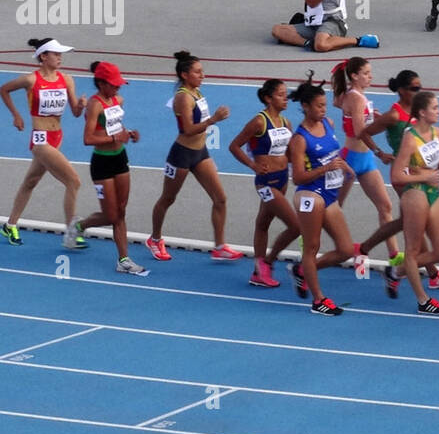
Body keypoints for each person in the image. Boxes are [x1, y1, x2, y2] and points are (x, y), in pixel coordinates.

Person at [360, 69, 439, 295]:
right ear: (402, 91)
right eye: (414, 88)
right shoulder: (396, 117)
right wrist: (380, 153)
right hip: (408, 179)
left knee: (408, 223)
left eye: (419, 88)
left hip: (426, 179)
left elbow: (427, 152)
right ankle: (429, 277)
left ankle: (370, 251)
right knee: (414, 229)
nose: (417, 91)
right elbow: (365, 133)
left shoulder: (426, 125)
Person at [145, 51, 243, 264]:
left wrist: (210, 121)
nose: (203, 75)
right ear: (185, 74)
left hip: (200, 153)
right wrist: (214, 120)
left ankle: (219, 247)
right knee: (168, 198)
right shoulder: (183, 97)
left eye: (202, 71)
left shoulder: (196, 92)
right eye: (197, 72)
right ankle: (154, 239)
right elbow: (188, 129)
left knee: (220, 198)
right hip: (182, 154)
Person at [0, 38, 84, 247]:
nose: (60, 58)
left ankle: (10, 225)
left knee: (31, 182)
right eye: (56, 54)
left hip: (57, 137)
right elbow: (4, 90)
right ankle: (71, 233)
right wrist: (17, 115)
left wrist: (81, 106)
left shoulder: (67, 80)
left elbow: (74, 112)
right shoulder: (31, 80)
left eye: (61, 54)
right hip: (41, 138)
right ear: (43, 56)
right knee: (74, 181)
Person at [288, 74, 355, 316]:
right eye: (318, 106)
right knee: (312, 247)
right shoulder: (299, 139)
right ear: (305, 107)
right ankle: (318, 300)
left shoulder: (328, 124)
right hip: (310, 194)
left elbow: (333, 154)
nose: (323, 109)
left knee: (346, 250)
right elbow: (297, 177)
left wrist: (344, 166)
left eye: (324, 105)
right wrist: (325, 169)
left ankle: (303, 271)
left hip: (329, 194)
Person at [227, 79, 304, 289]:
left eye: (285, 94)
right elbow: (234, 146)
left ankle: (257, 272)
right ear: (269, 98)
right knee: (296, 226)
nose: (285, 98)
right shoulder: (259, 122)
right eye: (280, 94)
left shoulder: (286, 122)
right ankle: (268, 262)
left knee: (263, 224)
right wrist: (253, 165)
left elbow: (288, 154)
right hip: (266, 183)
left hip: (282, 179)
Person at [74, 61, 146, 276]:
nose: (118, 88)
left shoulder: (118, 100)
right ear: (102, 83)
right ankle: (78, 227)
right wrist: (116, 137)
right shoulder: (94, 105)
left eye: (119, 84)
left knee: (121, 211)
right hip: (102, 163)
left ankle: (123, 259)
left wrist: (128, 132)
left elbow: (115, 126)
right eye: (114, 84)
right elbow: (88, 138)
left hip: (120, 158)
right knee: (111, 215)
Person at [332, 57, 400, 267]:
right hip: (351, 159)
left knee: (385, 205)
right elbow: (361, 131)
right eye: (366, 73)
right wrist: (380, 152)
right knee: (333, 208)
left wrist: (373, 115)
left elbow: (340, 104)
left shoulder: (354, 96)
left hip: (365, 160)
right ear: (354, 75)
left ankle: (394, 254)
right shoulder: (356, 98)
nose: (371, 77)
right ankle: (308, 239)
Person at [390, 90, 439, 316]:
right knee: (413, 251)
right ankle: (423, 300)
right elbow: (396, 176)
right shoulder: (410, 138)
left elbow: (429, 162)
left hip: (433, 192)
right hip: (415, 194)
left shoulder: (436, 132)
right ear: (422, 112)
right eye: (435, 108)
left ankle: (396, 272)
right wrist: (424, 177)